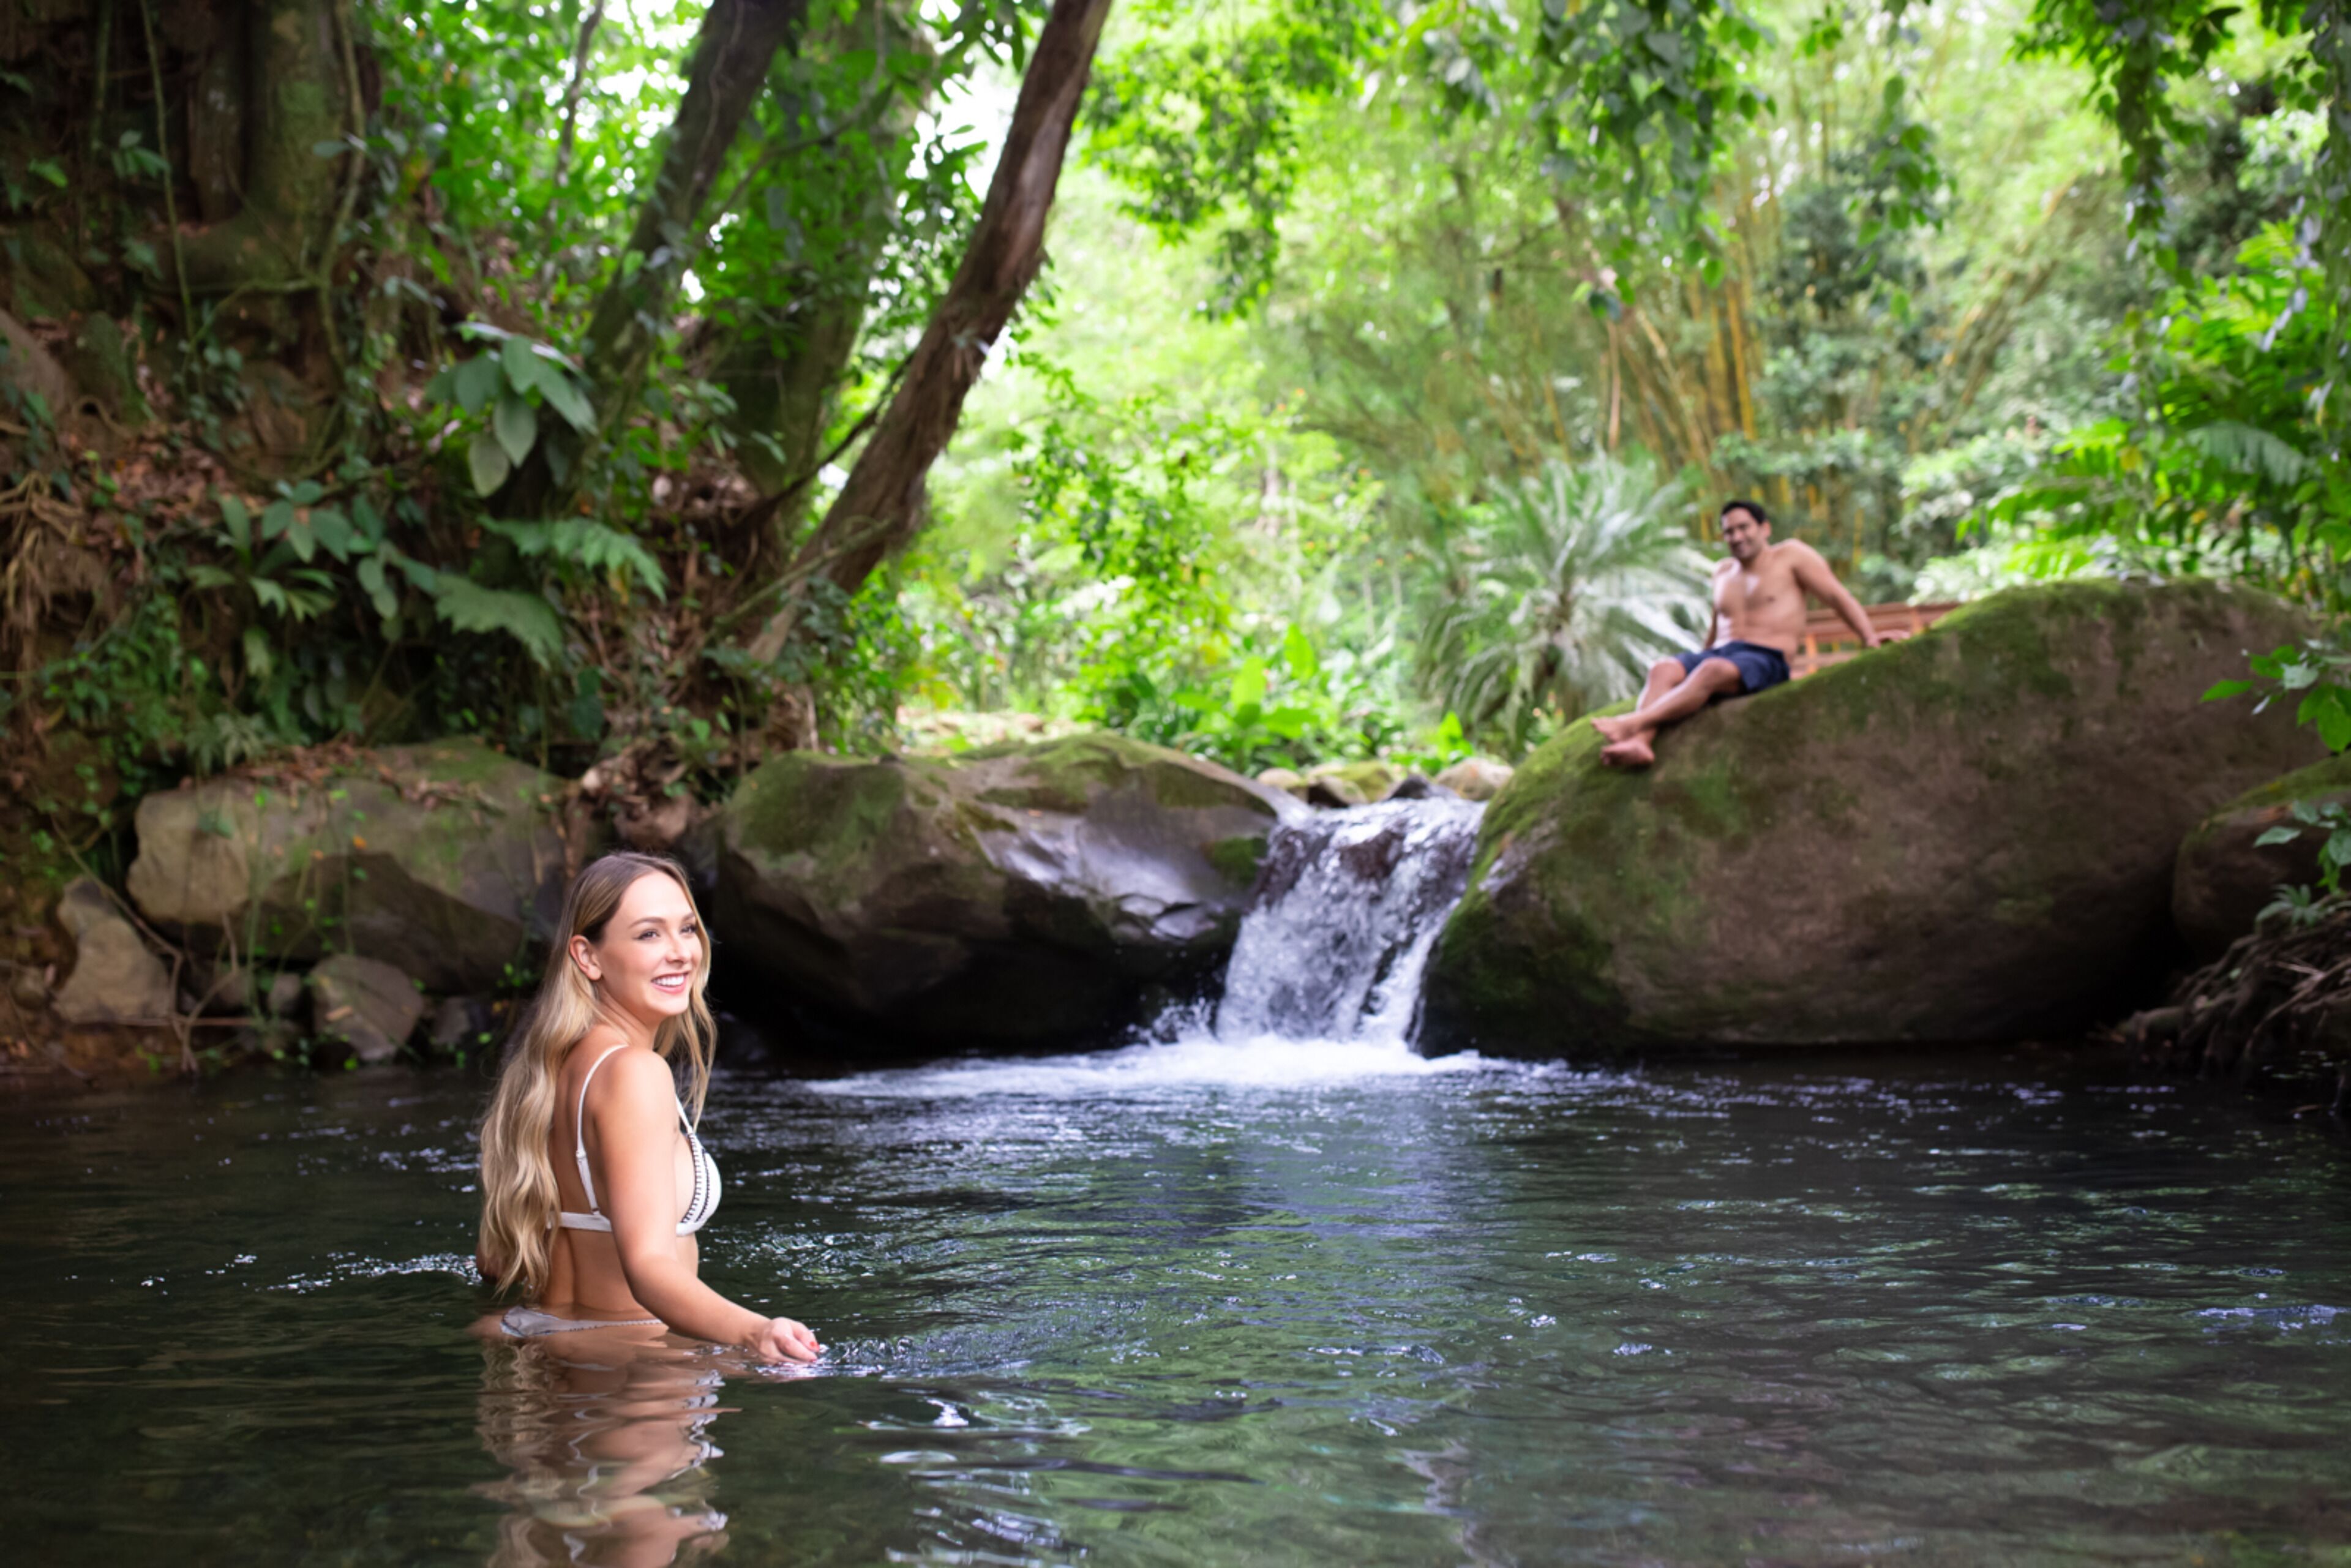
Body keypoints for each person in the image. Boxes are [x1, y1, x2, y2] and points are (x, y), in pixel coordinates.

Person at [474, 850, 822, 1363]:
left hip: (545, 1344)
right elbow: (649, 1267)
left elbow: (494, 1257)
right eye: (649, 934)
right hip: (633, 1370)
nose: (681, 952)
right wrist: (756, 1331)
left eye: (687, 929)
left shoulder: (551, 1068)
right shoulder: (635, 1072)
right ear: (587, 956)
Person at [1591, 498, 1883, 768]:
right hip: (1721, 654)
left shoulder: (1792, 556)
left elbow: (1837, 597)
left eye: (1744, 527)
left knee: (1710, 670)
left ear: (1764, 528)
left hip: (1766, 657)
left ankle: (1634, 723)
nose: (1737, 537)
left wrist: (1870, 638)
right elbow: (1717, 629)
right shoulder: (1722, 572)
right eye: (1729, 532)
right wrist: (1691, 665)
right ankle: (1640, 743)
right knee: (1662, 669)